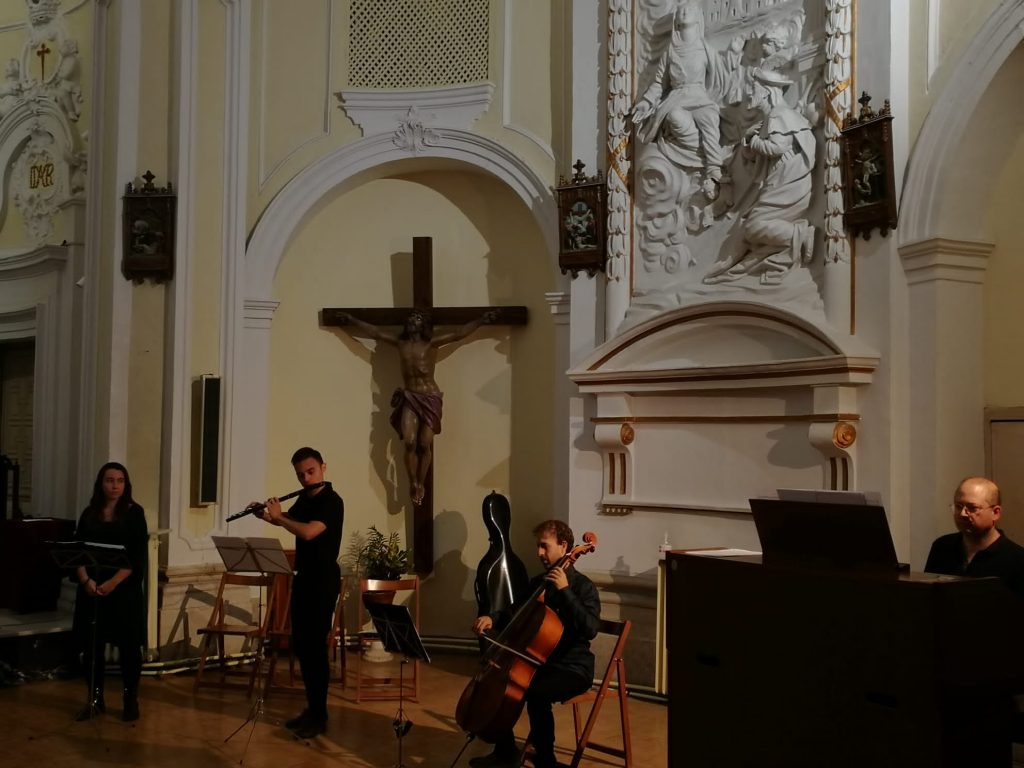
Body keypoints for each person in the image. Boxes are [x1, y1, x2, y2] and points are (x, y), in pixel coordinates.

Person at [469, 520, 601, 768]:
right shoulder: (539, 582)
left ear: (564, 546)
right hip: (541, 663)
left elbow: (591, 628)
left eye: (544, 546)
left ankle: (546, 761)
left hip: (572, 668)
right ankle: (505, 749)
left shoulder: (583, 586)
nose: (539, 553)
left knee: (535, 692)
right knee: (506, 683)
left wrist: (565, 591)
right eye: (538, 547)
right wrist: (492, 618)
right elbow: (514, 612)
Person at [337, 309, 498, 505]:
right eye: (411, 318)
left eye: (418, 318)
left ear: (423, 325)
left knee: (424, 444)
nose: (413, 321)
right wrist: (352, 320)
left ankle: (421, 482)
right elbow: (376, 333)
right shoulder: (401, 343)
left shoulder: (431, 343)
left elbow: (458, 334)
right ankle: (413, 482)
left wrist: (481, 320)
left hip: (429, 396)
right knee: (409, 442)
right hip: (410, 396)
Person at [253, 447, 343, 739]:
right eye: (301, 474)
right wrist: (265, 515)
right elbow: (292, 519)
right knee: (303, 647)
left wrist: (278, 519)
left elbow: (308, 532)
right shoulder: (305, 499)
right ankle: (312, 708)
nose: (306, 478)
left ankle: (320, 714)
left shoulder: (332, 501)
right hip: (304, 579)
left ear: (323, 468)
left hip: (323, 580)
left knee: (316, 648)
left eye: (310, 472)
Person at [703, 66, 815, 286]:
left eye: (753, 89)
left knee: (753, 227)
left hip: (789, 183)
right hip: (779, 181)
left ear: (766, 92)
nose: (749, 94)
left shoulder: (779, 115)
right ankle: (727, 269)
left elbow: (777, 148)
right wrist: (748, 140)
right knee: (749, 227)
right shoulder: (770, 119)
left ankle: (800, 235)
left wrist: (753, 141)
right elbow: (756, 158)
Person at [72, 462, 148, 722]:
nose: (114, 485)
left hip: (122, 589)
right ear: (100, 484)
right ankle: (95, 699)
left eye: (120, 481)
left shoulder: (134, 513)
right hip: (92, 589)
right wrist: (86, 581)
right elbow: (77, 551)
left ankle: (130, 700)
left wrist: (112, 583)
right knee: (92, 647)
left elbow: (137, 557)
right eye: (109, 480)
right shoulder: (89, 513)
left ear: (126, 485)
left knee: (128, 648)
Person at [632, 0, 730, 182]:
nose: (684, 12)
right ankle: (698, 153)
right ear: (676, 20)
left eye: (688, 10)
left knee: (709, 117)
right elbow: (659, 83)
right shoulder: (670, 52)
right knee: (674, 117)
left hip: (699, 96)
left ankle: (714, 168)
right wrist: (646, 102)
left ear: (696, 19)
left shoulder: (705, 49)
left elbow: (721, 76)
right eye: (681, 11)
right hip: (677, 97)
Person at [925, 476, 1024, 600]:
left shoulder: (1018, 560)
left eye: (972, 508)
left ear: (996, 512)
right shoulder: (942, 547)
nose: (962, 514)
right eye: (958, 506)